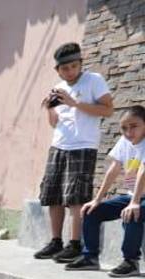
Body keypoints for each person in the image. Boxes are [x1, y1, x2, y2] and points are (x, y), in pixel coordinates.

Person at [33, 42, 115, 263]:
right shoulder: (58, 86)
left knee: (77, 195)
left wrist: (75, 103)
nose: (69, 71)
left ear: (80, 64)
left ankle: (75, 243)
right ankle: (55, 241)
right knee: (53, 194)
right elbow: (54, 123)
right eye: (64, 68)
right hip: (59, 144)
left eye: (73, 66)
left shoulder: (94, 80)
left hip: (83, 145)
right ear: (57, 70)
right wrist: (50, 108)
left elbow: (108, 109)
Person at [66, 105, 145, 277]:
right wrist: (97, 199)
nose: (128, 131)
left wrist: (135, 202)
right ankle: (90, 257)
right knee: (91, 211)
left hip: (138, 199)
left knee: (132, 214)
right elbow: (114, 169)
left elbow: (142, 172)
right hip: (134, 197)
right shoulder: (124, 142)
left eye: (134, 126)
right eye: (124, 128)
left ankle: (131, 261)